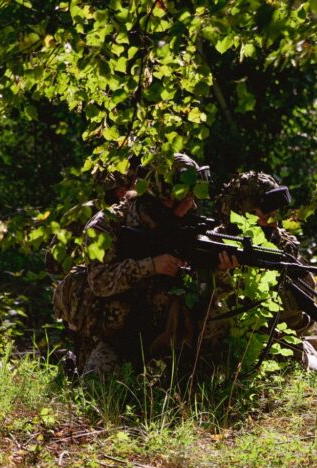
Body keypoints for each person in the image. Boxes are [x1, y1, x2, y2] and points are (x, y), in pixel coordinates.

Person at [52, 153, 237, 378]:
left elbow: (207, 295)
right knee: (97, 392)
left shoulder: (185, 226)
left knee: (218, 319)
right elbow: (99, 281)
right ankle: (77, 360)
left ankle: (191, 383)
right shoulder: (108, 225)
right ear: (163, 198)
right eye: (186, 198)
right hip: (118, 334)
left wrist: (218, 271)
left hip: (166, 327)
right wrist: (151, 266)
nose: (193, 205)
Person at [213, 171, 317, 373]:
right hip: (229, 344)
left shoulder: (282, 243)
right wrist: (222, 273)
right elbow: (206, 303)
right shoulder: (217, 243)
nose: (274, 218)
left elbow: (304, 300)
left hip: (280, 341)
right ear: (244, 210)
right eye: (266, 211)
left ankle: (306, 352)